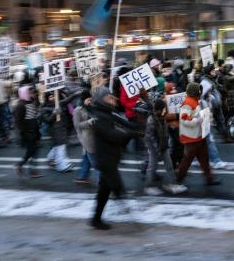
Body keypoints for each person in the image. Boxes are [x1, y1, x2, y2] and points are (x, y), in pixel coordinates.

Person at [90, 86, 139, 230]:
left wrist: (137, 125)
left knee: (104, 191)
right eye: (108, 97)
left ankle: (96, 219)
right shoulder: (98, 116)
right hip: (106, 160)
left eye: (111, 97)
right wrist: (128, 135)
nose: (112, 100)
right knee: (117, 188)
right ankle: (132, 221)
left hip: (110, 157)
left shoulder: (108, 112)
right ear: (101, 99)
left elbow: (128, 125)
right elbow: (111, 135)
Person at [176, 82, 221, 186]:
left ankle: (209, 179)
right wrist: (197, 120)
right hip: (191, 137)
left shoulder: (194, 101)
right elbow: (183, 119)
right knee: (187, 160)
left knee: (204, 159)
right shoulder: (188, 103)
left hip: (198, 135)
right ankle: (178, 180)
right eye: (199, 90)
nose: (200, 92)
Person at [144, 99, 188, 195]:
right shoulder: (151, 120)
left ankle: (173, 184)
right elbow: (150, 138)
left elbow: (165, 131)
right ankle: (148, 187)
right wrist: (157, 150)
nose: (166, 110)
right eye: (164, 109)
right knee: (152, 168)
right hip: (155, 149)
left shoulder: (162, 118)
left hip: (164, 147)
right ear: (159, 109)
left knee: (169, 166)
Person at [13, 85, 43, 178]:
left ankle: (31, 169)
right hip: (28, 132)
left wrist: (37, 96)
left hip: (34, 130)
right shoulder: (20, 105)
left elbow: (36, 111)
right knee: (31, 151)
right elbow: (18, 122)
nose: (31, 94)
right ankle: (22, 166)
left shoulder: (31, 102)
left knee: (34, 150)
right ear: (24, 93)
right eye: (29, 92)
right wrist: (25, 133)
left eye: (31, 92)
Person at [73, 90, 97, 185]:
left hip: (92, 136)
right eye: (88, 99)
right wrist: (89, 122)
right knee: (96, 163)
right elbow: (77, 125)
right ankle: (102, 184)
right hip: (86, 138)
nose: (90, 101)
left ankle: (82, 177)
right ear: (83, 99)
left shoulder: (91, 108)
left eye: (91, 99)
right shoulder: (77, 110)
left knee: (87, 159)